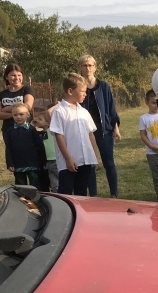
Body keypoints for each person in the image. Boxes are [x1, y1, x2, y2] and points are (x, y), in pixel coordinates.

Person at [77, 55, 121, 197]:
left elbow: (111, 109)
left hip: (104, 131)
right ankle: (93, 196)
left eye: (90, 65)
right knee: (90, 165)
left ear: (95, 67)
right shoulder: (78, 88)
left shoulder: (104, 86)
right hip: (85, 132)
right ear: (80, 68)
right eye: (84, 65)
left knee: (109, 163)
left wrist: (116, 129)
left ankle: (114, 194)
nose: (87, 68)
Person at [50, 73, 101, 196]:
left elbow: (91, 135)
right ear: (70, 91)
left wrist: (96, 156)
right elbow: (59, 136)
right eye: (82, 91)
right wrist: (68, 158)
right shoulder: (59, 111)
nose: (85, 94)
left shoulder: (84, 112)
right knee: (66, 192)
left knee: (81, 191)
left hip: (85, 160)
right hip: (70, 162)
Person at [3, 102, 45, 186]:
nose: (18, 117)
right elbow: (9, 148)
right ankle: (22, 199)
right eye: (15, 115)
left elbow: (39, 146)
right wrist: (10, 163)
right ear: (12, 116)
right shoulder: (10, 131)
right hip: (18, 164)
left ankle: (35, 199)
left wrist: (42, 161)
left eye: (21, 114)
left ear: (28, 115)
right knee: (20, 186)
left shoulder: (31, 130)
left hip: (32, 163)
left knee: (35, 185)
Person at [138, 89, 158, 202]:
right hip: (152, 154)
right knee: (157, 177)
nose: (156, 105)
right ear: (147, 102)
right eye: (153, 103)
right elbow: (143, 135)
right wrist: (151, 146)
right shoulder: (143, 118)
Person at [0, 63, 35, 134]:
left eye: (19, 75)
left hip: (25, 129)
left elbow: (28, 107)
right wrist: (15, 114)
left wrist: (5, 109)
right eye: (13, 75)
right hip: (8, 131)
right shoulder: (2, 94)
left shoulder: (27, 90)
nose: (17, 78)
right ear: (6, 77)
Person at [32, 108, 59, 192]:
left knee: (62, 180)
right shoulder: (42, 133)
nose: (38, 121)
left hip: (56, 160)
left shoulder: (52, 131)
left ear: (47, 122)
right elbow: (32, 133)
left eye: (40, 119)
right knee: (54, 185)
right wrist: (33, 125)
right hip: (48, 162)